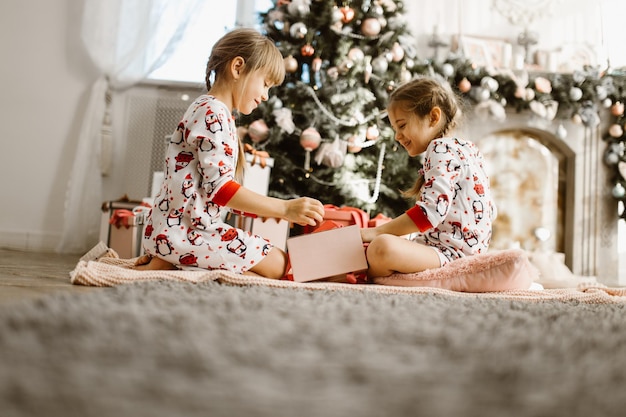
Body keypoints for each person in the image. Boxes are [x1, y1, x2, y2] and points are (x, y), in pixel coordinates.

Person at [135, 28, 324, 278]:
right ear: (238, 68)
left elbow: (214, 191)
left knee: (270, 261)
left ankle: (174, 263)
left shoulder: (207, 108)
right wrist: (286, 209)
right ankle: (180, 265)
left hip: (175, 231)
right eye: (265, 84)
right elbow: (222, 190)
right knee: (280, 264)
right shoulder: (214, 113)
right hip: (191, 234)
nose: (266, 96)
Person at [360, 77, 497, 278]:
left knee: (381, 247)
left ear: (433, 117)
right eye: (395, 129)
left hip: (450, 255)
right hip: (464, 252)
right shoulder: (470, 149)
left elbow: (431, 212)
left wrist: (377, 232)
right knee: (387, 244)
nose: (397, 136)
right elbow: (490, 210)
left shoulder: (439, 148)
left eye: (402, 125)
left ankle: (360, 274)